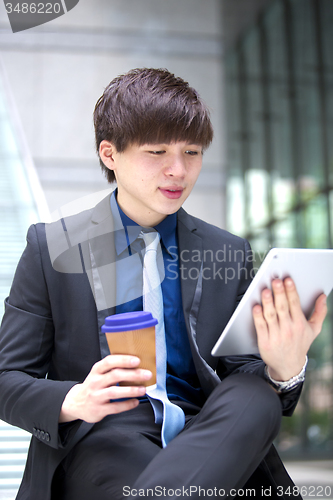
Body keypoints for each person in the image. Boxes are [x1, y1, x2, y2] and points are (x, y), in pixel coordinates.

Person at [0, 68, 327, 500]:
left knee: (256, 395)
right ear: (110, 154)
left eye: (192, 152)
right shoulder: (52, 248)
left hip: (210, 433)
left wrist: (284, 369)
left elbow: (241, 374)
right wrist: (75, 399)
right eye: (157, 152)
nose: (178, 170)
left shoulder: (225, 251)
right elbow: (8, 377)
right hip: (107, 433)